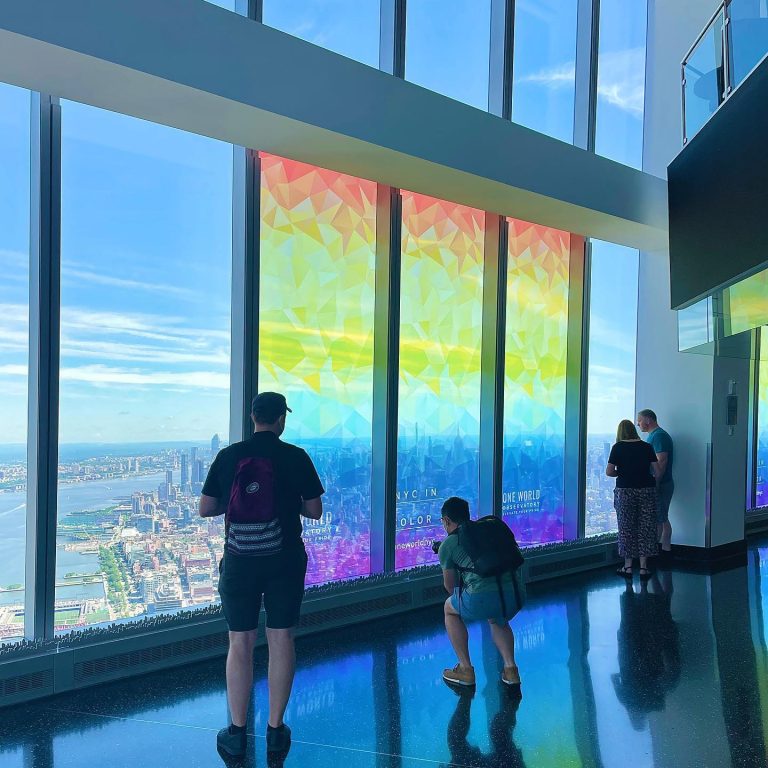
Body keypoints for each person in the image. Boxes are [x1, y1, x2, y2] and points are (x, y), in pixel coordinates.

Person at [199, 392, 325, 759]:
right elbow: (315, 510)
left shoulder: (229, 456)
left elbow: (206, 507)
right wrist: (287, 504)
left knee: (240, 642)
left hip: (240, 560)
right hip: (285, 559)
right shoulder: (295, 456)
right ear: (281, 420)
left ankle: (237, 731)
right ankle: (275, 729)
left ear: (253, 417)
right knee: (281, 638)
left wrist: (235, 503)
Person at [437, 497, 524, 690]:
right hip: (515, 594)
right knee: (498, 618)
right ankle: (511, 670)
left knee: (449, 609)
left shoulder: (448, 544)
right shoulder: (488, 531)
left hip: (481, 600)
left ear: (447, 520)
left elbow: (450, 587)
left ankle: (465, 670)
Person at [607, 419, 659, 579]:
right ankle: (644, 568)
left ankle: (628, 567)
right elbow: (656, 470)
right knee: (646, 527)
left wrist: (622, 473)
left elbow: (609, 471)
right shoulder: (647, 447)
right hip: (646, 490)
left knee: (626, 528)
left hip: (625, 491)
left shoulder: (618, 448)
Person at [637, 409, 674, 554]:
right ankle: (661, 550)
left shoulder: (659, 437)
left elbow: (661, 463)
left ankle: (661, 551)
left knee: (661, 518)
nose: (638, 424)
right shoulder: (655, 436)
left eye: (639, 420)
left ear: (648, 419)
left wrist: (655, 484)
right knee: (660, 518)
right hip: (660, 483)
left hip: (660, 484)